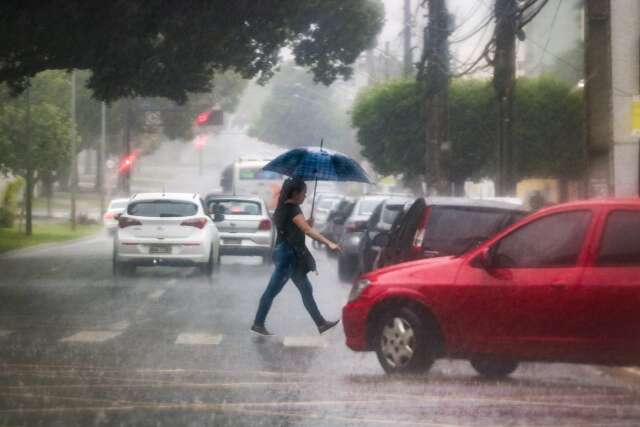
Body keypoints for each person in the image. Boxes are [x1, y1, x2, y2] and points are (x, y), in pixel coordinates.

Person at [251, 177, 342, 336]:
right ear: (295, 193)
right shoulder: (292, 209)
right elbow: (307, 231)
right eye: (303, 193)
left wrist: (306, 222)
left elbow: (295, 228)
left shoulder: (283, 208)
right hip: (287, 256)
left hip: (286, 252)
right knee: (272, 290)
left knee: (306, 288)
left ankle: (320, 323)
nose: (305, 196)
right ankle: (258, 323)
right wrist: (329, 243)